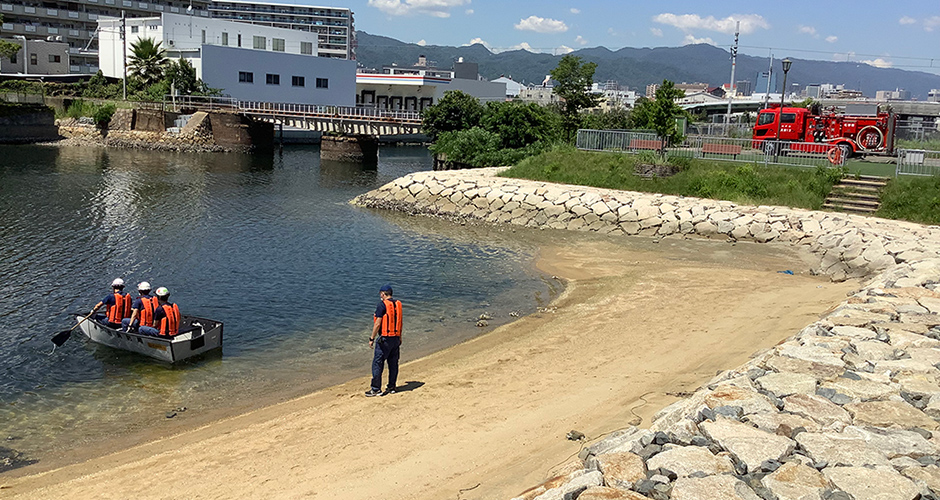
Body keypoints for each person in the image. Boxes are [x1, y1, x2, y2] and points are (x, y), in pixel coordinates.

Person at [366, 284, 403, 397]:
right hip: (396, 338)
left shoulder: (382, 305)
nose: (380, 296)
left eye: (380, 294)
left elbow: (377, 324)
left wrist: (371, 338)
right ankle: (392, 386)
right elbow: (400, 321)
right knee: (393, 364)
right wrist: (400, 337)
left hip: (385, 339)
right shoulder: (398, 304)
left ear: (383, 294)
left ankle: (376, 389)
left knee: (378, 363)